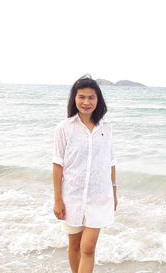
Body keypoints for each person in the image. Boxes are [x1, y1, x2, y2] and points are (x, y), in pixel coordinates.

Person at [52, 75, 117, 273]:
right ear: (74, 99)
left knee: (88, 247)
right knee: (74, 245)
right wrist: (57, 200)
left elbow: (111, 162)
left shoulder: (106, 128)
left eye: (91, 97)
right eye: (82, 97)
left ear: (98, 100)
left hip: (99, 196)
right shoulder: (64, 128)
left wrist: (114, 192)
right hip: (72, 196)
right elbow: (58, 165)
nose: (86, 102)